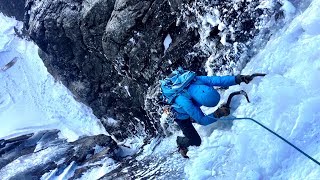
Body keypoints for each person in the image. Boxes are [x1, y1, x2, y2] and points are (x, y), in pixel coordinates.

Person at [160, 71, 254, 158]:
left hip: (190, 104)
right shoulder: (185, 102)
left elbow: (219, 80)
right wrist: (218, 113)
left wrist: (238, 79)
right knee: (196, 142)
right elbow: (202, 120)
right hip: (181, 116)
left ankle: (194, 117)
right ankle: (180, 142)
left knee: (194, 113)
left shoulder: (197, 80)